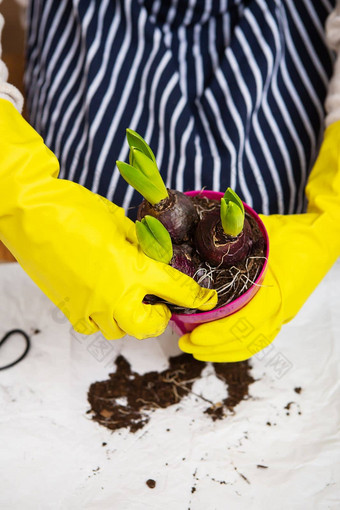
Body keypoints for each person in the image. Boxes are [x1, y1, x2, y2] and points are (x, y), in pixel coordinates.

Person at [0, 0, 339, 361]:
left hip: (285, 19)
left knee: (264, 220)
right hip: (89, 16)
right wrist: (21, 193)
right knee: (100, 230)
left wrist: (329, 219)